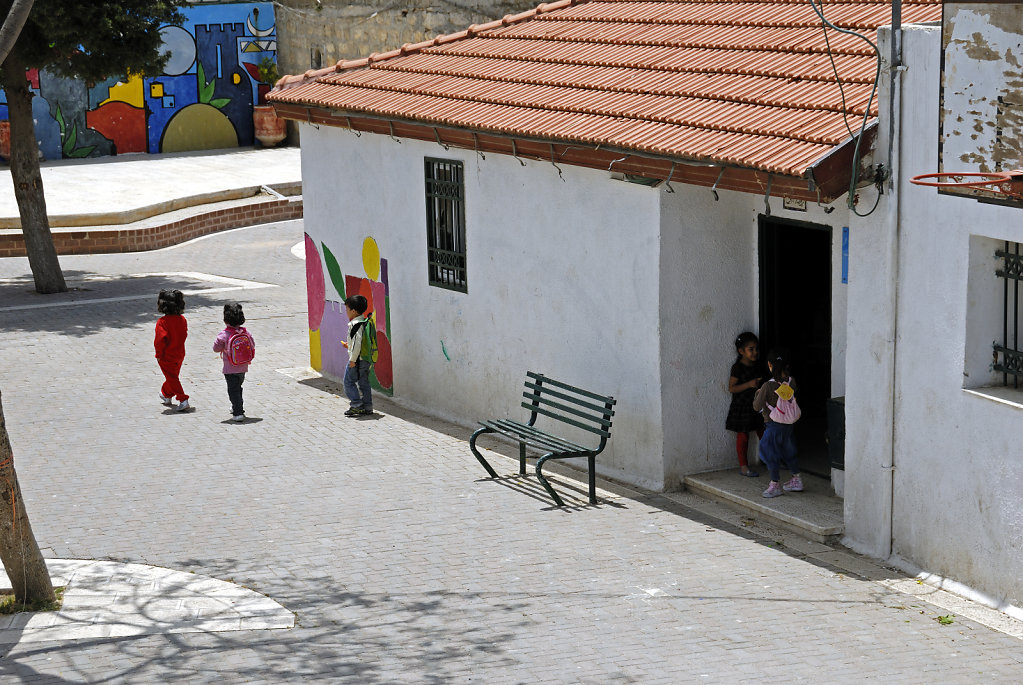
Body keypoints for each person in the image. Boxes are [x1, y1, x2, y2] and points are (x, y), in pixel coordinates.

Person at [753, 349, 803, 498]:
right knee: (789, 451)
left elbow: (757, 406)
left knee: (769, 452)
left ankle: (775, 484)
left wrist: (758, 393)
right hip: (788, 425)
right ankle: (796, 479)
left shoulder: (768, 386)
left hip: (773, 426)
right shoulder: (791, 381)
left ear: (769, 365)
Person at [726, 331, 766, 477]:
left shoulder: (758, 366)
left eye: (756, 348)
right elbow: (731, 388)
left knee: (764, 432)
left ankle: (773, 459)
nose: (755, 352)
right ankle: (744, 467)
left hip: (756, 405)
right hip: (742, 406)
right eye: (751, 349)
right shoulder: (737, 368)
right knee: (743, 436)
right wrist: (749, 384)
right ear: (741, 351)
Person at [213, 302, 255, 422]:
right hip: (243, 366)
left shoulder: (224, 335)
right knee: (238, 387)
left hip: (230, 368)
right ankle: (236, 406)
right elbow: (252, 346)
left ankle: (238, 413)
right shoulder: (246, 333)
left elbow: (215, 348)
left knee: (233, 390)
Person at [155, 289, 190, 412]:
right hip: (180, 353)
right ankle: (166, 394)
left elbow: (160, 340)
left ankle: (183, 399)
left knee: (172, 377)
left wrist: (158, 354)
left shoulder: (162, 322)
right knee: (172, 376)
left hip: (166, 355)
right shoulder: (182, 319)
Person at [341, 294, 374, 416]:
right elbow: (358, 344)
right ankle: (367, 406)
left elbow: (357, 344)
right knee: (364, 382)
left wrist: (352, 359)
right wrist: (348, 346)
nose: (347, 312)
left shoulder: (354, 325)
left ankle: (356, 405)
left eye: (347, 309)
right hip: (365, 359)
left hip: (357, 360)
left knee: (348, 382)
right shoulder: (365, 322)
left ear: (353, 311)